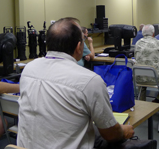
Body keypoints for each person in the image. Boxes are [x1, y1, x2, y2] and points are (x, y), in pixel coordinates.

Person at [17, 17, 134, 149]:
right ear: (79, 47)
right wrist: (124, 131)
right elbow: (111, 134)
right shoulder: (90, 81)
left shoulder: (29, 69)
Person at [135, 24, 159, 103]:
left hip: (139, 77)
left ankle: (142, 107)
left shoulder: (137, 43)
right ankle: (158, 99)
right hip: (155, 77)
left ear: (143, 34)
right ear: (153, 33)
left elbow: (136, 58)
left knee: (142, 81)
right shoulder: (158, 43)